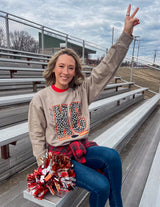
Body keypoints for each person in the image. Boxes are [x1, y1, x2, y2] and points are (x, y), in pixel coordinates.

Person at [28, 4, 140, 207]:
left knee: (112, 157)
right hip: (59, 158)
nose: (65, 71)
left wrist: (125, 35)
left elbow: (106, 68)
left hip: (81, 148)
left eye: (71, 68)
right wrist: (46, 168)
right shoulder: (41, 98)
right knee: (101, 185)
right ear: (54, 68)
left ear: (75, 71)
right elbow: (36, 136)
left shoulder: (81, 91)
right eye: (61, 66)